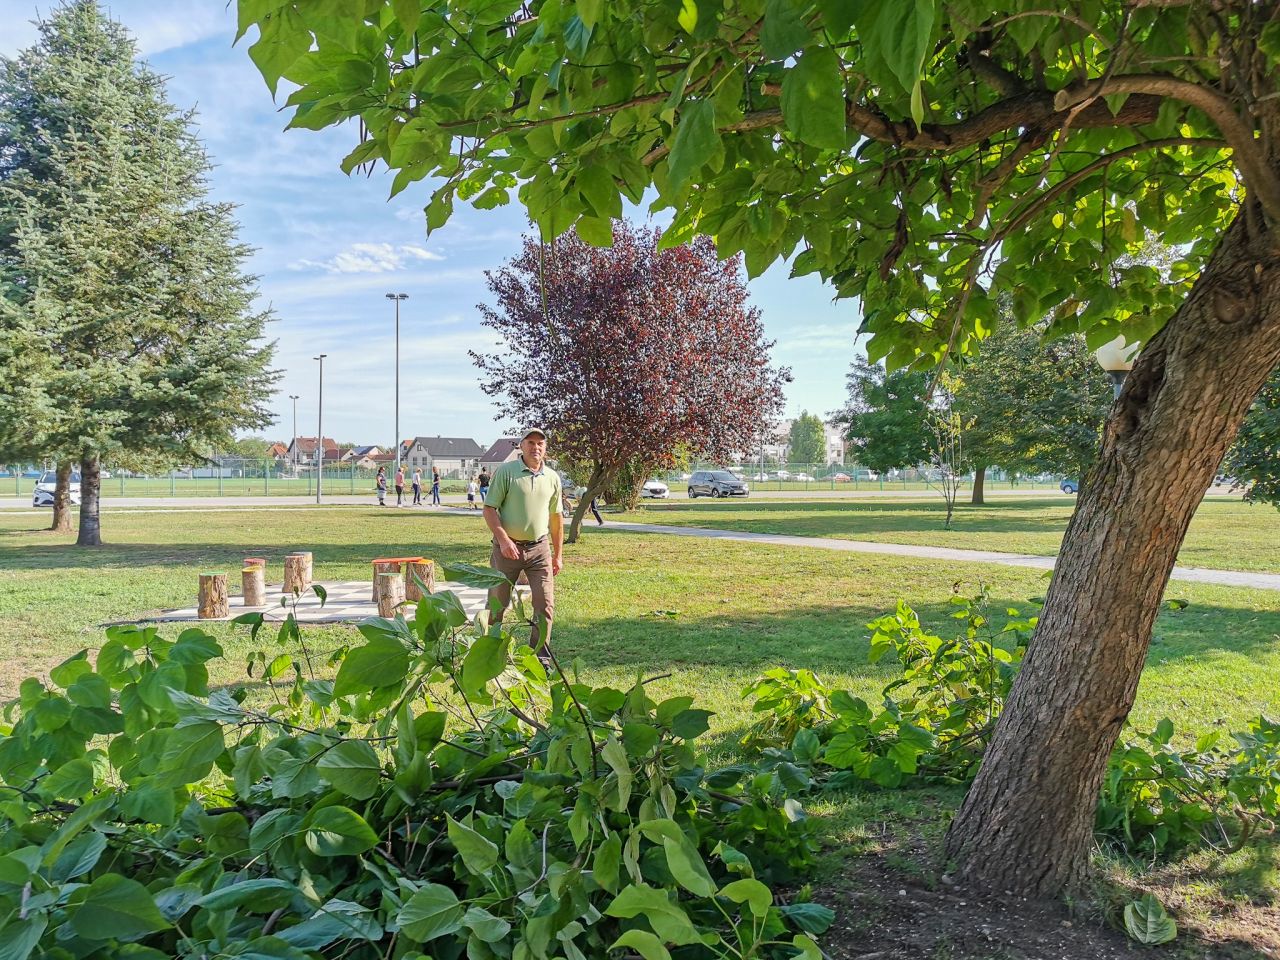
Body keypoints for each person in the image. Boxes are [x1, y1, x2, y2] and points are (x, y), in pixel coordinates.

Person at [483, 428, 563, 660]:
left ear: (545, 448)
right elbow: (489, 509)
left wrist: (558, 555)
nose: (535, 447)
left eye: (540, 443)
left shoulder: (552, 477)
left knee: (545, 605)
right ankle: (489, 653)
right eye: (530, 442)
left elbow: (556, 518)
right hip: (507, 550)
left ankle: (541, 657)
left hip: (540, 550)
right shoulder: (507, 472)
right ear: (522, 445)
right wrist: (504, 540)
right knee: (498, 605)